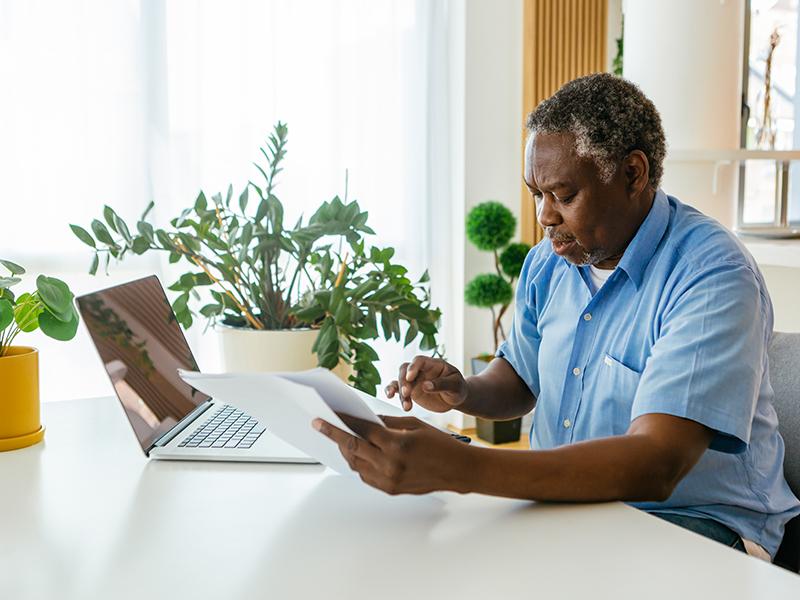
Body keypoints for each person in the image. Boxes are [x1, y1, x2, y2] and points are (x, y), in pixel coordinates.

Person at [312, 73, 800, 560]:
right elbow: (522, 378)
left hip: (697, 523)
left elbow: (657, 463)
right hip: (574, 508)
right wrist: (464, 390)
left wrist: (458, 466)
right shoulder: (552, 260)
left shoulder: (712, 274)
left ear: (634, 174)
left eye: (564, 196)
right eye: (536, 194)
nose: (545, 217)